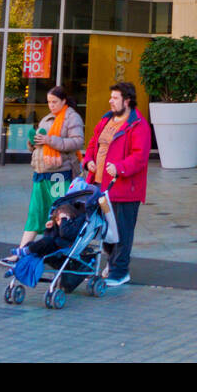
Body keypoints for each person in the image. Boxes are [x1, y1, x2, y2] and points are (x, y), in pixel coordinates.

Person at [0, 86, 84, 267]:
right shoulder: (47, 119)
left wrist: (49, 140)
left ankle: (64, 252)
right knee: (35, 212)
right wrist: (33, 142)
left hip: (59, 174)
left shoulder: (72, 117)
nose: (51, 105)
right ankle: (22, 251)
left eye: (54, 102)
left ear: (64, 101)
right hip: (41, 173)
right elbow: (40, 145)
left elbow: (77, 141)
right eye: (49, 102)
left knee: (60, 213)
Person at [82, 82, 152, 287]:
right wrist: (89, 160)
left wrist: (120, 168)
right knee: (107, 231)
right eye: (111, 97)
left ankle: (120, 271)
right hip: (100, 187)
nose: (110, 101)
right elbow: (93, 143)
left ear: (127, 101)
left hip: (123, 189)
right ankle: (112, 265)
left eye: (115, 98)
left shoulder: (138, 124)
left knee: (121, 231)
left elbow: (140, 156)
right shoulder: (106, 120)